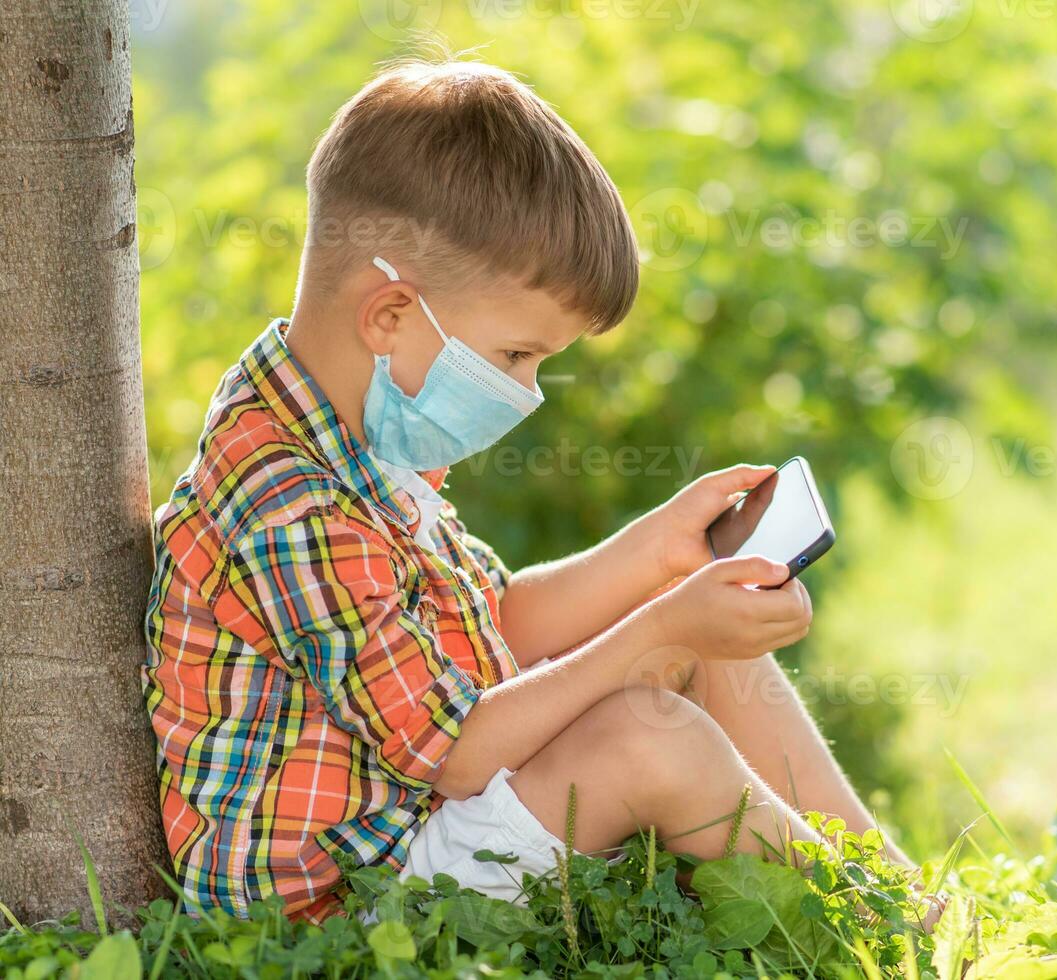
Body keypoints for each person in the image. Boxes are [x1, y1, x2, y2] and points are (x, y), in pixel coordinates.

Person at [142, 57, 920, 924]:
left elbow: (492, 628)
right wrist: (661, 622)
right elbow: (456, 753)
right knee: (647, 741)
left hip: (417, 826)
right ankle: (873, 928)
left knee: (698, 639)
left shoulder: (359, 428)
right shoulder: (288, 499)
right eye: (517, 355)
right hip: (346, 909)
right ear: (391, 314)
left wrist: (654, 557)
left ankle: (895, 892)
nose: (528, 388)